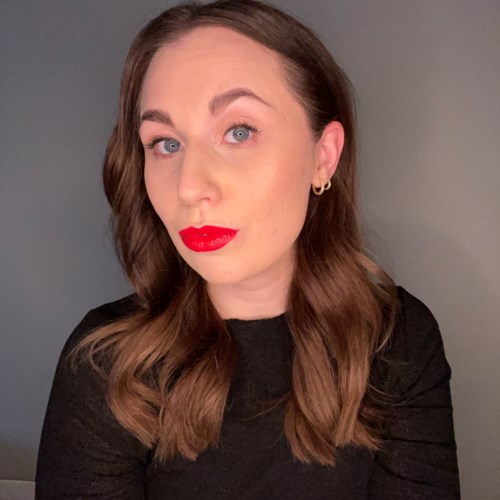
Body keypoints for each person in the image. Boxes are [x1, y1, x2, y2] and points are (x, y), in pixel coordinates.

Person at [35, 0, 460, 498]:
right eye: (166, 143)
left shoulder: (399, 342)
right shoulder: (108, 366)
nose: (189, 186)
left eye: (239, 132)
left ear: (323, 157)